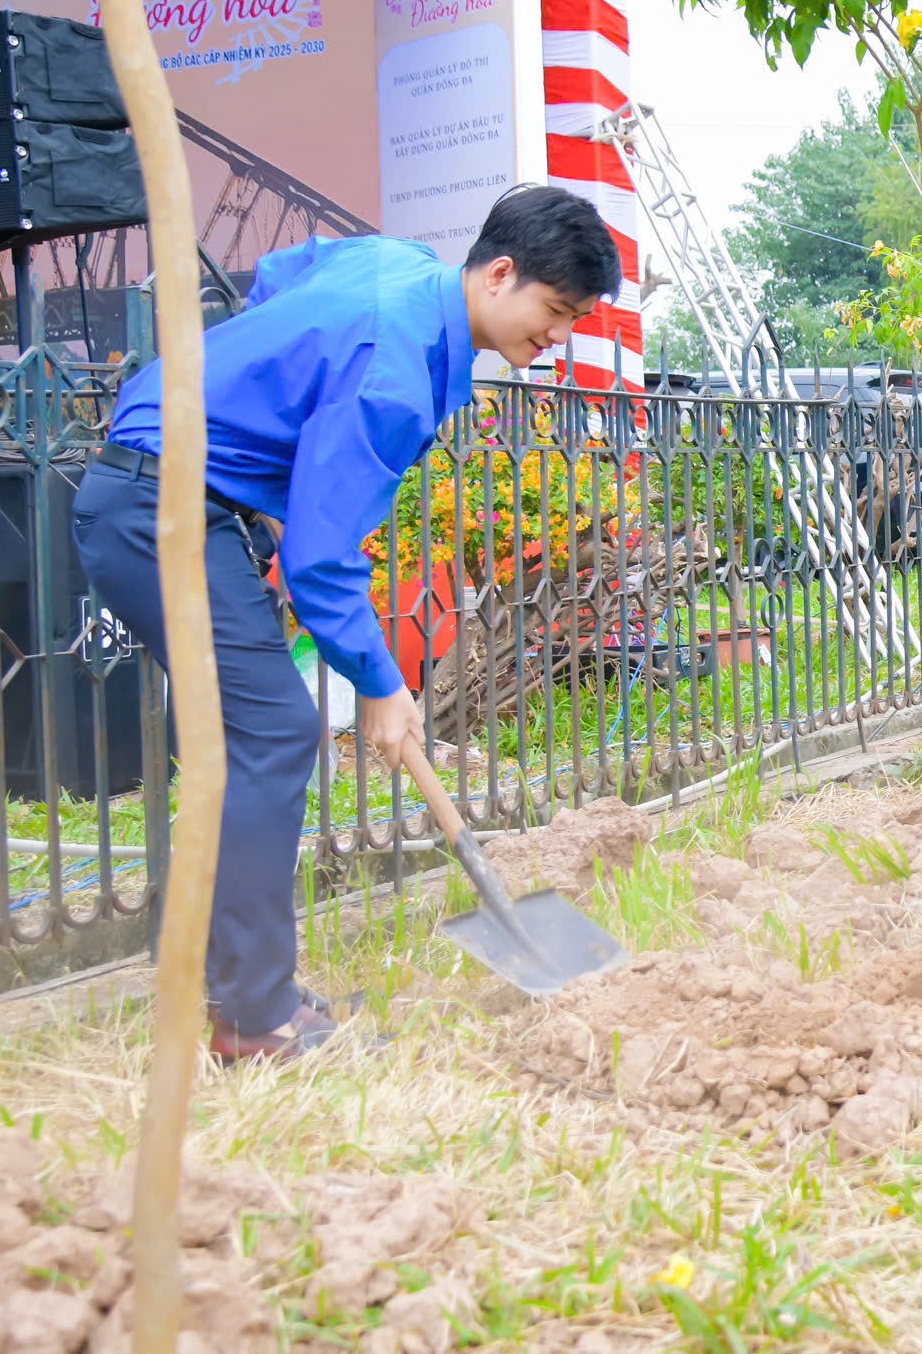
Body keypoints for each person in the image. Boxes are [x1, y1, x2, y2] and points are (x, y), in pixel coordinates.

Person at [73, 186, 621, 1061]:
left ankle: (240, 984)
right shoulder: (392, 371)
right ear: (502, 272)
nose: (556, 337)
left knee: (243, 740)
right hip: (159, 510)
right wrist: (381, 683)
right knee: (277, 734)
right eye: (555, 312)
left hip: (171, 497)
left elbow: (285, 278)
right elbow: (322, 562)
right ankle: (254, 1020)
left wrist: (269, 406)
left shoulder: (396, 266)